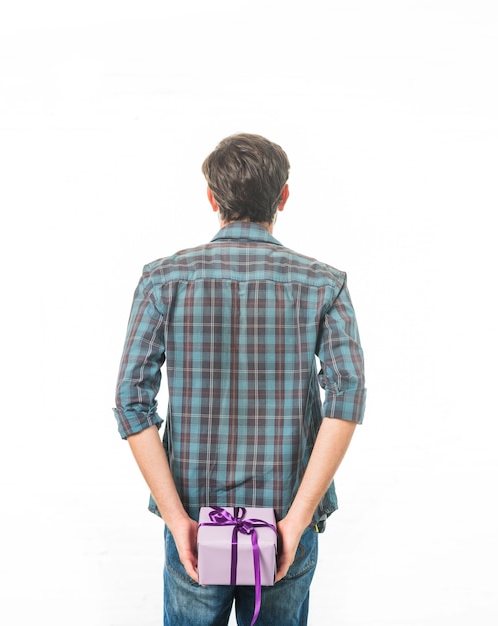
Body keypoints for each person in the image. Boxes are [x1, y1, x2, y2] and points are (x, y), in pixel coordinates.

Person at [113, 133, 366, 625]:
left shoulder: (163, 281)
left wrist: (175, 517)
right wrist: (295, 522)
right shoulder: (323, 283)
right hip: (287, 519)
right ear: (284, 196)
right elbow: (347, 398)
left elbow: (130, 402)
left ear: (212, 198)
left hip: (193, 518)